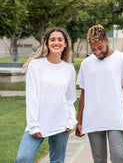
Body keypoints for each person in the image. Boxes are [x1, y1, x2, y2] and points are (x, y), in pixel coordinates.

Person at [15, 27, 77, 163]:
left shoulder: (69, 69)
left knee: (57, 161)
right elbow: (32, 97)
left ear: (65, 44)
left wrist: (71, 120)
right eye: (52, 39)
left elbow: (70, 98)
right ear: (47, 43)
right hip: (39, 122)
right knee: (23, 158)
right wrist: (34, 125)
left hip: (61, 123)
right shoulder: (36, 65)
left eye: (60, 40)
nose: (56, 43)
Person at [76, 25, 123, 163]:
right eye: (93, 49)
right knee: (99, 159)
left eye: (100, 47)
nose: (97, 52)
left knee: (119, 156)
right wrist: (79, 121)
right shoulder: (86, 64)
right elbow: (84, 93)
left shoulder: (121, 59)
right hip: (93, 118)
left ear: (107, 40)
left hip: (115, 117)